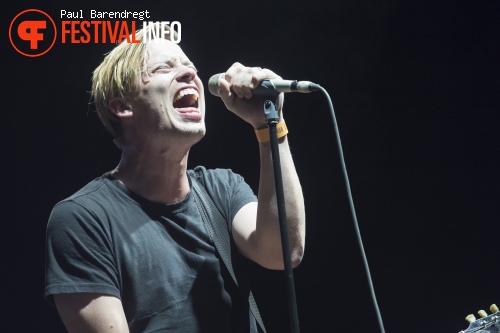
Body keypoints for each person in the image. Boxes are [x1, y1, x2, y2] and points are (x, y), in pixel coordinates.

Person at [44, 23, 305, 333]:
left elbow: (282, 251)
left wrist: (270, 126)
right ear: (122, 105)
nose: (189, 75)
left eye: (189, 68)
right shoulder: (82, 219)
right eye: (164, 68)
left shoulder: (220, 189)